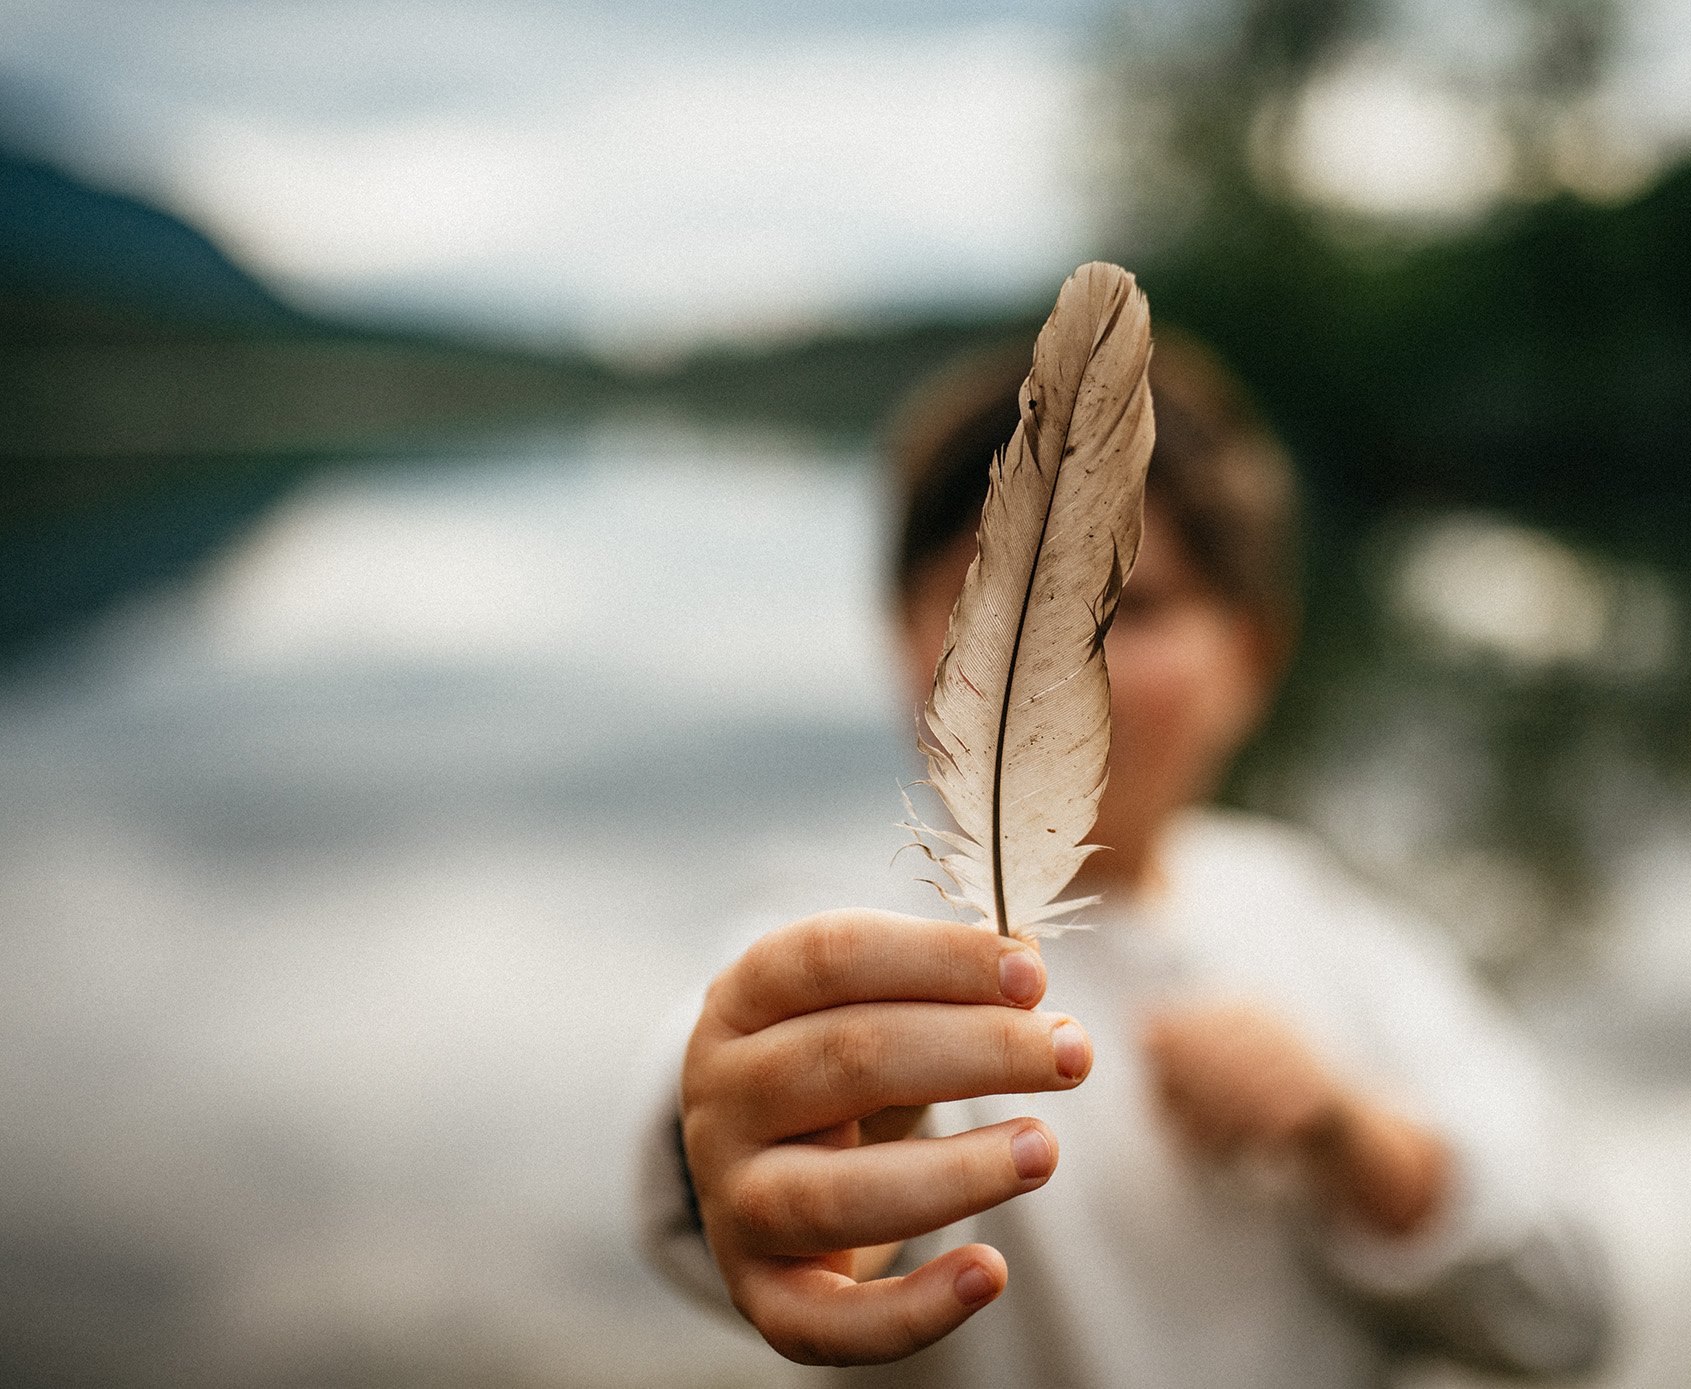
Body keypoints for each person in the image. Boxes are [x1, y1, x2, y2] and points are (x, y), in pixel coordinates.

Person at [636, 337, 1612, 1386]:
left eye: (1129, 606)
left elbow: (1566, 1319)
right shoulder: (849, 940)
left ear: (1248, 655)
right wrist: (753, 1162)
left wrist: (1348, 1138)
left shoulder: (1327, 923)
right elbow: (710, 1098)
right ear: (906, 645)